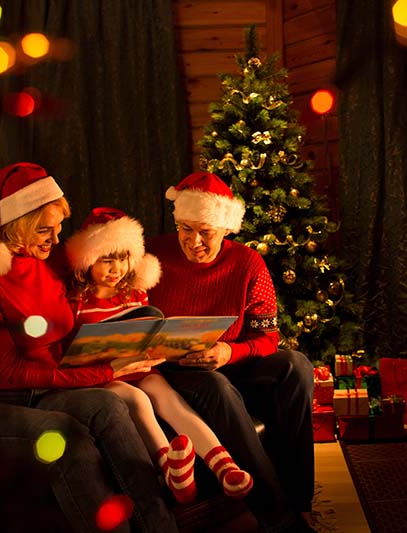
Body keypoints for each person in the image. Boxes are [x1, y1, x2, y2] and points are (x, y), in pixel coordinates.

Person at [0, 162, 177, 533]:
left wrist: (119, 347)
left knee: (109, 403)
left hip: (43, 388)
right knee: (68, 440)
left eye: (57, 229)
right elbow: (9, 372)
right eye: (43, 230)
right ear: (13, 225)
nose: (55, 240)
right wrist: (104, 371)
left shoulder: (48, 266)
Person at [146, 171, 316, 532]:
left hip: (227, 358)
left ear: (225, 230)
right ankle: (278, 518)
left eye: (205, 232)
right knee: (217, 388)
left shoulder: (248, 263)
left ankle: (299, 499)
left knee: (295, 365)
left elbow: (267, 338)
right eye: (185, 229)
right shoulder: (152, 255)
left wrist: (228, 351)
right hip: (173, 370)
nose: (194, 242)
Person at [63, 206, 254, 504]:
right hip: (104, 375)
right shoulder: (76, 298)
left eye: (124, 258)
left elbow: (146, 330)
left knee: (169, 399)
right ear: (87, 259)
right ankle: (171, 469)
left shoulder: (134, 292)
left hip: (140, 366)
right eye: (106, 259)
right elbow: (69, 347)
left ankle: (225, 467)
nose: (116, 269)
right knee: (138, 400)